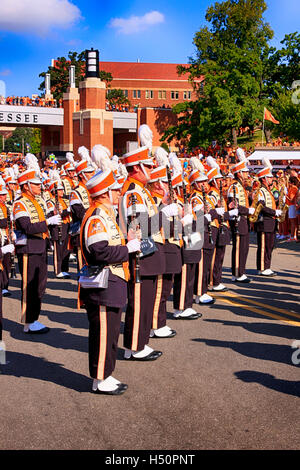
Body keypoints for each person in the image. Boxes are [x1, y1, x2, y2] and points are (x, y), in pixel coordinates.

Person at [80, 165, 139, 395]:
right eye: (114, 190)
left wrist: (127, 242)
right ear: (104, 193)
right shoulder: (96, 217)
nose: (118, 194)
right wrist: (127, 249)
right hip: (102, 286)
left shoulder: (105, 215)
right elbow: (99, 251)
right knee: (103, 332)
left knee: (112, 331)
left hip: (112, 284)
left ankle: (106, 373)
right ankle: (99, 378)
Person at [13, 155, 61, 334]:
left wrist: (53, 220)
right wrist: (48, 223)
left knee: (40, 286)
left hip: (39, 247)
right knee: (29, 287)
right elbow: (26, 226)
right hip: (28, 249)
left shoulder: (37, 201)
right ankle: (28, 322)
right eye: (36, 184)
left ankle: (34, 319)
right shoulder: (20, 203)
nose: (40, 187)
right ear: (26, 185)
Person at [227, 148, 255, 283]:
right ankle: (237, 273)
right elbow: (235, 205)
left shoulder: (241, 187)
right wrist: (248, 211)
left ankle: (240, 272)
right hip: (237, 219)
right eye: (245, 172)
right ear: (239, 173)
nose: (247, 174)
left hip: (244, 219)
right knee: (239, 247)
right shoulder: (234, 187)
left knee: (244, 247)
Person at [254, 158, 282, 276]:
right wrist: (275, 213)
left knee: (269, 245)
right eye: (269, 177)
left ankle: (267, 266)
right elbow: (262, 207)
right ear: (264, 179)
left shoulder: (268, 191)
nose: (271, 179)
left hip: (270, 222)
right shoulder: (261, 191)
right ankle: (262, 267)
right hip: (264, 222)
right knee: (264, 246)